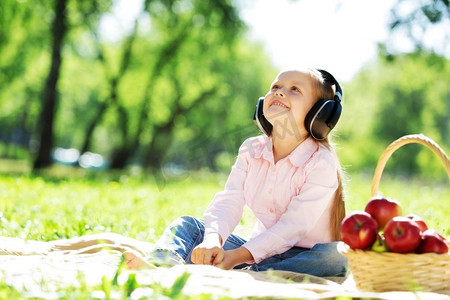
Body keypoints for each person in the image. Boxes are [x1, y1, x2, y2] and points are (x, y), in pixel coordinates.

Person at [7, 68, 347, 277]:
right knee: (190, 226)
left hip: (301, 252)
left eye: (294, 90)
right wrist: (214, 240)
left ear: (320, 114)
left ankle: (244, 268)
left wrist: (237, 256)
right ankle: (164, 264)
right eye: (275, 86)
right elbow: (229, 201)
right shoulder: (252, 149)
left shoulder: (320, 163)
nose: (278, 92)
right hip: (258, 245)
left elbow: (293, 227)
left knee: (332, 257)